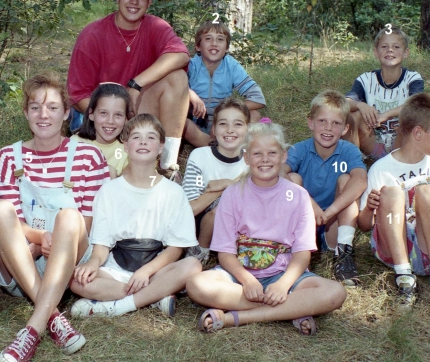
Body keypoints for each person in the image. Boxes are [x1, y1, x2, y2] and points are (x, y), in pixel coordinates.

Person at [0, 73, 110, 361]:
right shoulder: (8, 156)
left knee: (69, 216)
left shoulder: (89, 156)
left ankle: (32, 331)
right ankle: (54, 317)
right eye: (35, 107)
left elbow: (90, 222)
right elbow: (11, 222)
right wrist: (39, 237)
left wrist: (57, 242)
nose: (44, 115)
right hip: (23, 262)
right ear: (26, 113)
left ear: (67, 113)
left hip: (69, 261)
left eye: (53, 107)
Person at [186, 123, 347, 334]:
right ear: (246, 157)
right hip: (239, 277)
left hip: (285, 275)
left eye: (272, 153)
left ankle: (234, 317)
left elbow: (302, 254)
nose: (265, 159)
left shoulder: (298, 196)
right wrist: (247, 280)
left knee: (335, 292)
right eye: (257, 153)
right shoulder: (232, 194)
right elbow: (225, 253)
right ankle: (293, 309)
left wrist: (282, 285)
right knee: (197, 285)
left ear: (283, 156)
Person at [70, 114, 202, 318]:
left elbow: (176, 249)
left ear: (160, 147)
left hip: (156, 268)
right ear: (125, 145)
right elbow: (102, 245)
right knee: (74, 278)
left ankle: (118, 306)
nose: (143, 141)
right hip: (116, 269)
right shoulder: (109, 190)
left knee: (192, 265)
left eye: (150, 137)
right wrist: (93, 263)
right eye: (136, 137)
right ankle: (154, 296)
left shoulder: (174, 192)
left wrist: (146, 272)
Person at [68, 0, 190, 177]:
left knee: (177, 78)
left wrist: (135, 85)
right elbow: (78, 95)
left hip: (133, 110)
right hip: (97, 118)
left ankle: (168, 166)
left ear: (150, 1)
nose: (134, 2)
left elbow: (180, 55)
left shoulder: (156, 27)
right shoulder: (93, 34)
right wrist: (111, 116)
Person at [358, 93, 430, 319]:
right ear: (418, 132)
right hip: (394, 244)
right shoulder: (381, 169)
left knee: (428, 192)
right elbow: (363, 225)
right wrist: (370, 208)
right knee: (390, 193)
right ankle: (405, 280)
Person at [283, 90, 367, 286]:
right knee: (292, 178)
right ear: (310, 122)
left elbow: (361, 180)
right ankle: (297, 250)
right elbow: (278, 172)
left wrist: (329, 212)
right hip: (305, 222)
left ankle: (343, 252)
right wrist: (311, 204)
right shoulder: (299, 149)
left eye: (336, 123)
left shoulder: (348, 150)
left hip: (333, 223)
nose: (328, 128)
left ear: (345, 128)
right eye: (322, 121)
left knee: (347, 180)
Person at [182, 98, 250, 264]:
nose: (230, 130)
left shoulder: (251, 159)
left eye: (238, 124)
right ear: (213, 129)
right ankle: (200, 252)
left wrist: (227, 184)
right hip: (204, 221)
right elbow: (190, 208)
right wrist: (224, 187)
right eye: (223, 124)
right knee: (222, 204)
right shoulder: (201, 156)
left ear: (248, 130)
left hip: (241, 225)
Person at [344, 27, 424, 160]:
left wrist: (385, 115)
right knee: (352, 115)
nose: (390, 50)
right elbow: (344, 103)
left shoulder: (413, 78)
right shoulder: (366, 79)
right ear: (376, 52)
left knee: (412, 118)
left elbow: (416, 104)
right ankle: (353, 163)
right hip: (373, 142)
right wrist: (360, 105)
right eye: (384, 46)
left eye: (396, 46)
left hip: (402, 144)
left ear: (406, 52)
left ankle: (400, 163)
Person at [185, 21, 266, 147]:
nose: (214, 43)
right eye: (208, 39)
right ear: (198, 46)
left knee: (255, 114)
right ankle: (214, 147)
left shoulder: (231, 66)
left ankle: (227, 145)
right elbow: (173, 87)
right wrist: (191, 94)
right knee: (183, 124)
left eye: (220, 39)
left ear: (227, 48)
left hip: (226, 123)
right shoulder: (191, 65)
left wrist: (224, 113)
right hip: (196, 124)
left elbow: (258, 99)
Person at [72, 83, 131, 178]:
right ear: (91, 114)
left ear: (126, 119)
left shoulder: (129, 148)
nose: (110, 121)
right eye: (103, 113)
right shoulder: (74, 144)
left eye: (118, 115)